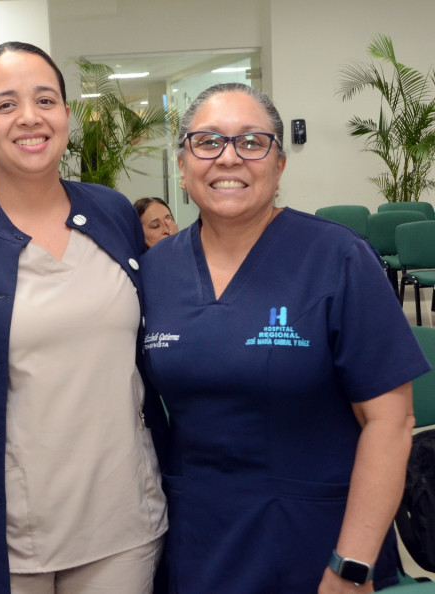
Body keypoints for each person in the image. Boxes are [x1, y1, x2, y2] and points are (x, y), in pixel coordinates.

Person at [0, 42, 167, 594]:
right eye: (5, 105)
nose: (30, 117)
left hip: (126, 525)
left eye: (45, 99)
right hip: (9, 542)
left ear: (67, 115)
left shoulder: (114, 213)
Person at [139, 82, 430, 593]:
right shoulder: (154, 271)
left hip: (320, 545)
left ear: (279, 165)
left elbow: (390, 420)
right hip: (198, 541)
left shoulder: (339, 259)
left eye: (252, 142)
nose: (229, 158)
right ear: (183, 167)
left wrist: (352, 563)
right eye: (208, 142)